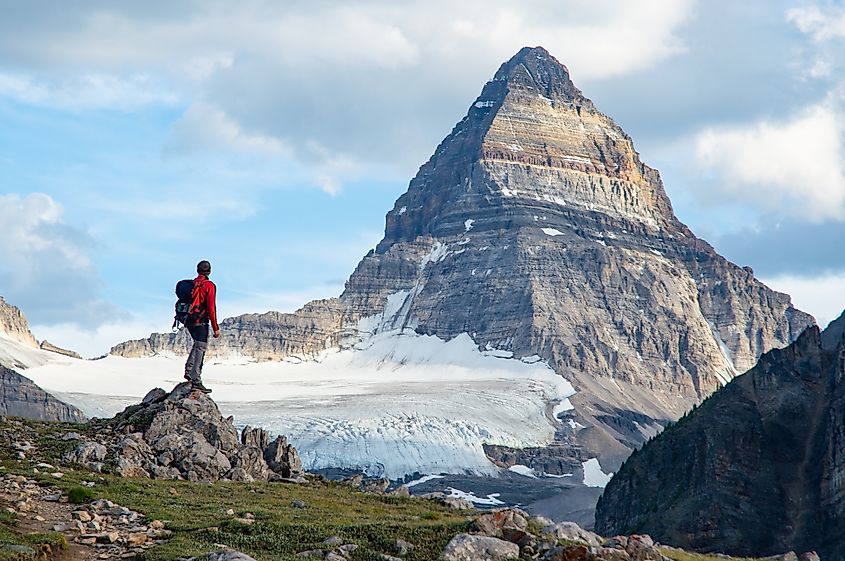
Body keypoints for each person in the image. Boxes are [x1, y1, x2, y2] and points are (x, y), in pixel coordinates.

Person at [184, 260, 220, 393]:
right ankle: (196, 380)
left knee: (197, 344)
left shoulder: (192, 284)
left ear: (197, 270)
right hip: (200, 320)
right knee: (201, 347)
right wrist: (215, 327)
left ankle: (189, 370)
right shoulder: (209, 285)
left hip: (187, 319)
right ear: (209, 271)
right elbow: (211, 308)